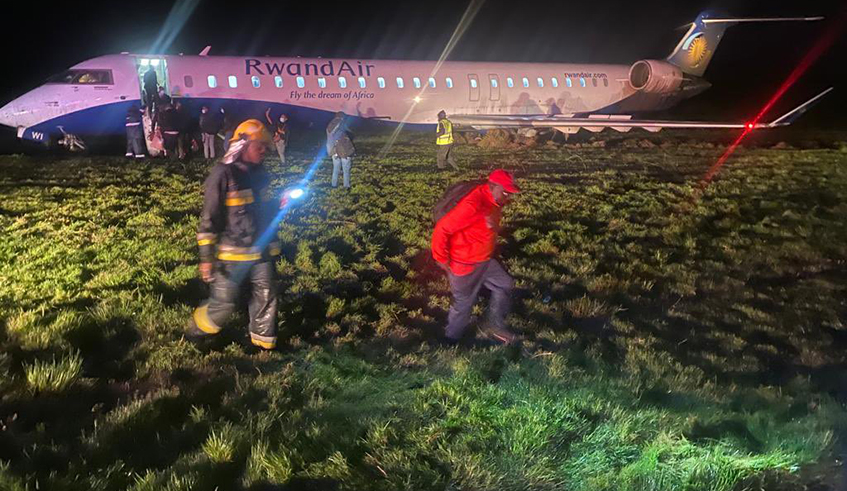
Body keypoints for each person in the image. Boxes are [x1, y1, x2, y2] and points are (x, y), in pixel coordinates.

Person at [186, 119, 285, 350]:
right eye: (259, 146)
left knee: (266, 296)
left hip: (262, 251)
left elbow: (263, 212)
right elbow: (209, 218)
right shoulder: (223, 174)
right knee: (224, 303)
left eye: (265, 146)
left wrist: (279, 203)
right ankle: (196, 332)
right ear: (243, 145)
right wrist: (206, 257)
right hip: (233, 255)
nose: (264, 150)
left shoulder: (260, 174)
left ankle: (262, 344)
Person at [431, 169, 521, 345]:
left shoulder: (493, 199)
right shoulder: (473, 205)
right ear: (492, 186)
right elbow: (442, 229)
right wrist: (440, 258)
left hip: (484, 261)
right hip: (465, 264)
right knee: (463, 303)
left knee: (504, 284)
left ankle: (493, 323)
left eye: (510, 193)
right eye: (505, 192)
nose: (508, 197)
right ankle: (450, 340)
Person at [326, 111, 355, 188]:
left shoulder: (330, 126)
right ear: (342, 118)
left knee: (336, 169)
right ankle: (346, 186)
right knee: (346, 170)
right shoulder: (341, 126)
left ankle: (334, 185)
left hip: (333, 151)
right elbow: (344, 140)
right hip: (344, 151)